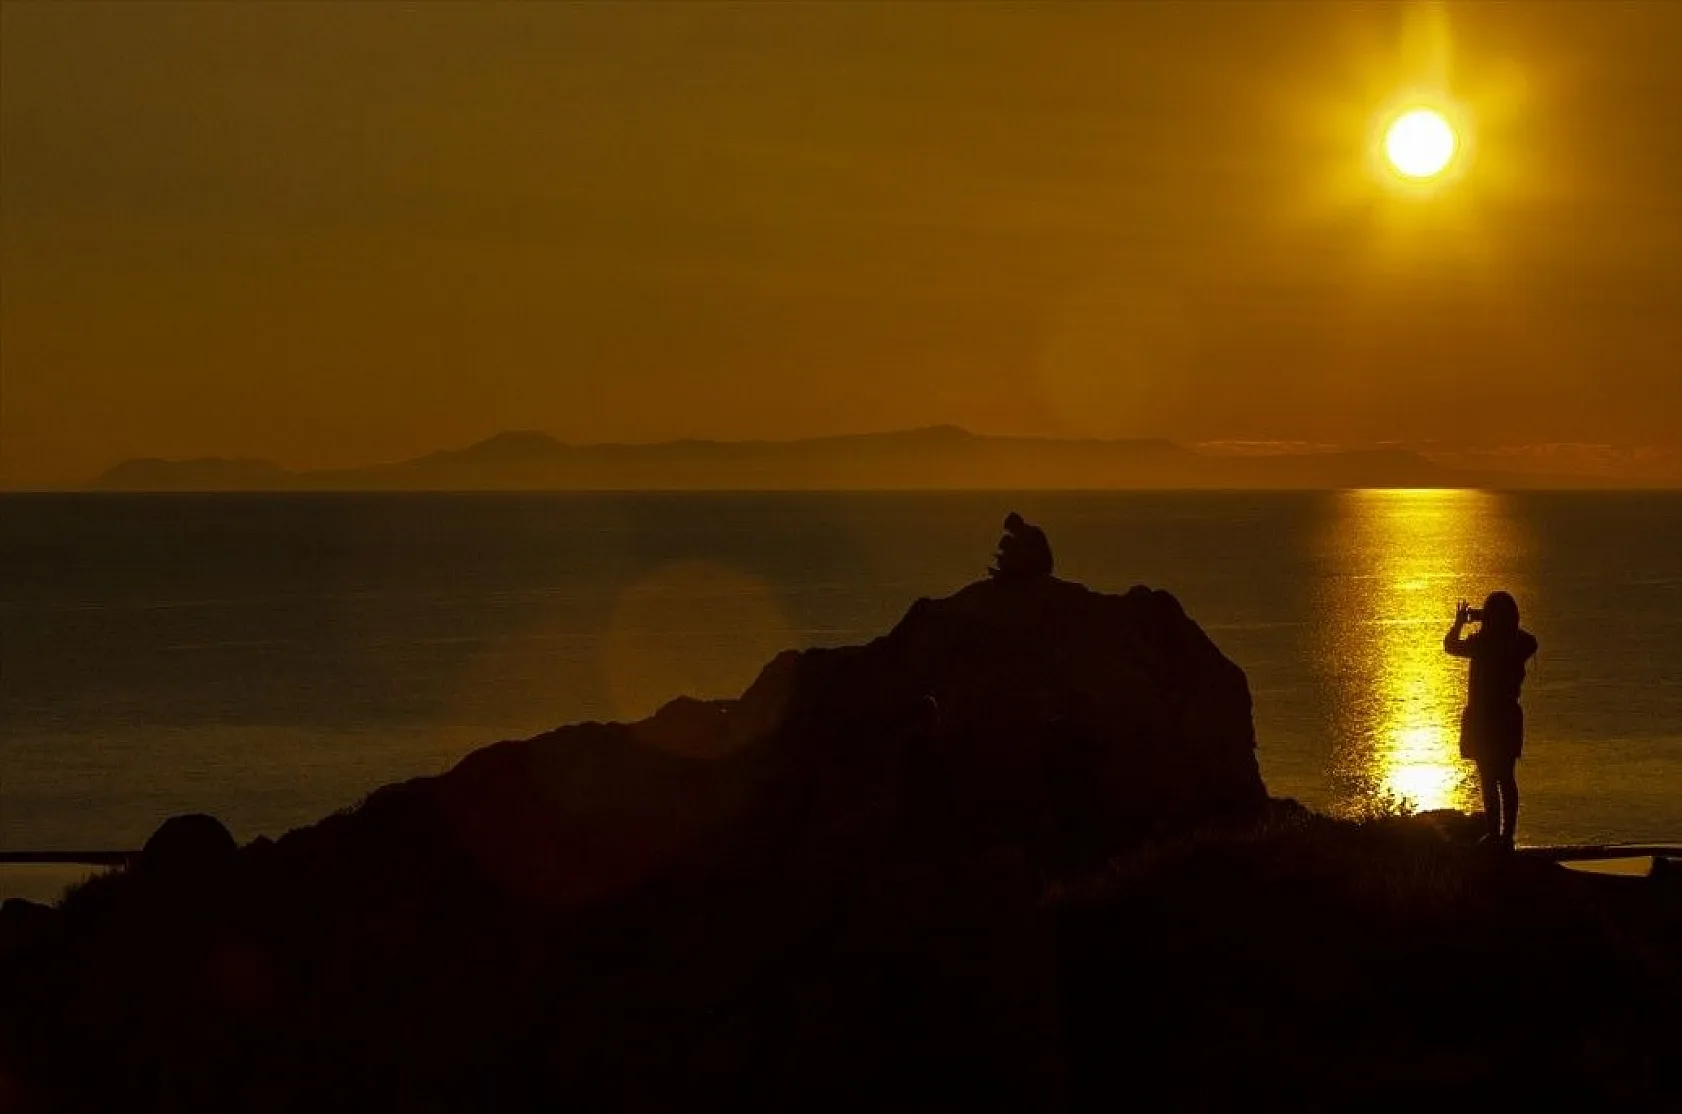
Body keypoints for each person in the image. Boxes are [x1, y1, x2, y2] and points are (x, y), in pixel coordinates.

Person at [1444, 591, 1538, 849]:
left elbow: (1450, 645)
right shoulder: (1517, 644)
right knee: (1504, 777)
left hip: (1486, 719)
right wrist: (1496, 621)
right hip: (1504, 718)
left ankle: (1498, 835)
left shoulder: (1483, 644)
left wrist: (1462, 622)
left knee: (1491, 777)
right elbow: (1531, 641)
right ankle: (1504, 836)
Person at [988, 512, 1054, 580]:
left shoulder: (1031, 534)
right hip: (1034, 567)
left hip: (1038, 568)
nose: (1011, 533)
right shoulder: (1021, 536)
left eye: (1011, 529)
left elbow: (1027, 556)